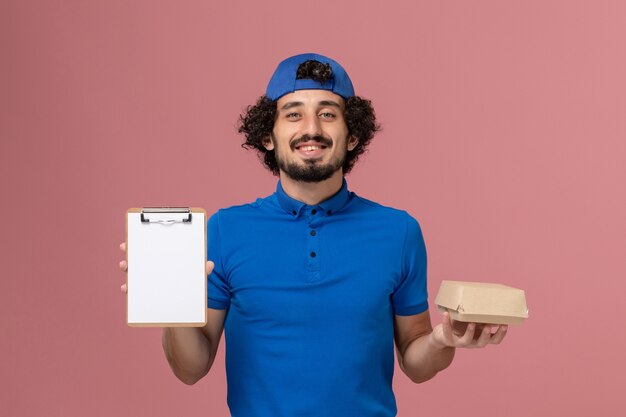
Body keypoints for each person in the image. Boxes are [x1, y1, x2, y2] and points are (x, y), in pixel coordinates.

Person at [118, 53, 507, 417]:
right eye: (293, 114)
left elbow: (416, 360)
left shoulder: (399, 231)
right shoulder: (224, 229)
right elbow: (191, 368)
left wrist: (442, 341)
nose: (311, 129)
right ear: (267, 136)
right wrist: (169, 305)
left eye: (327, 114)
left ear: (352, 135)